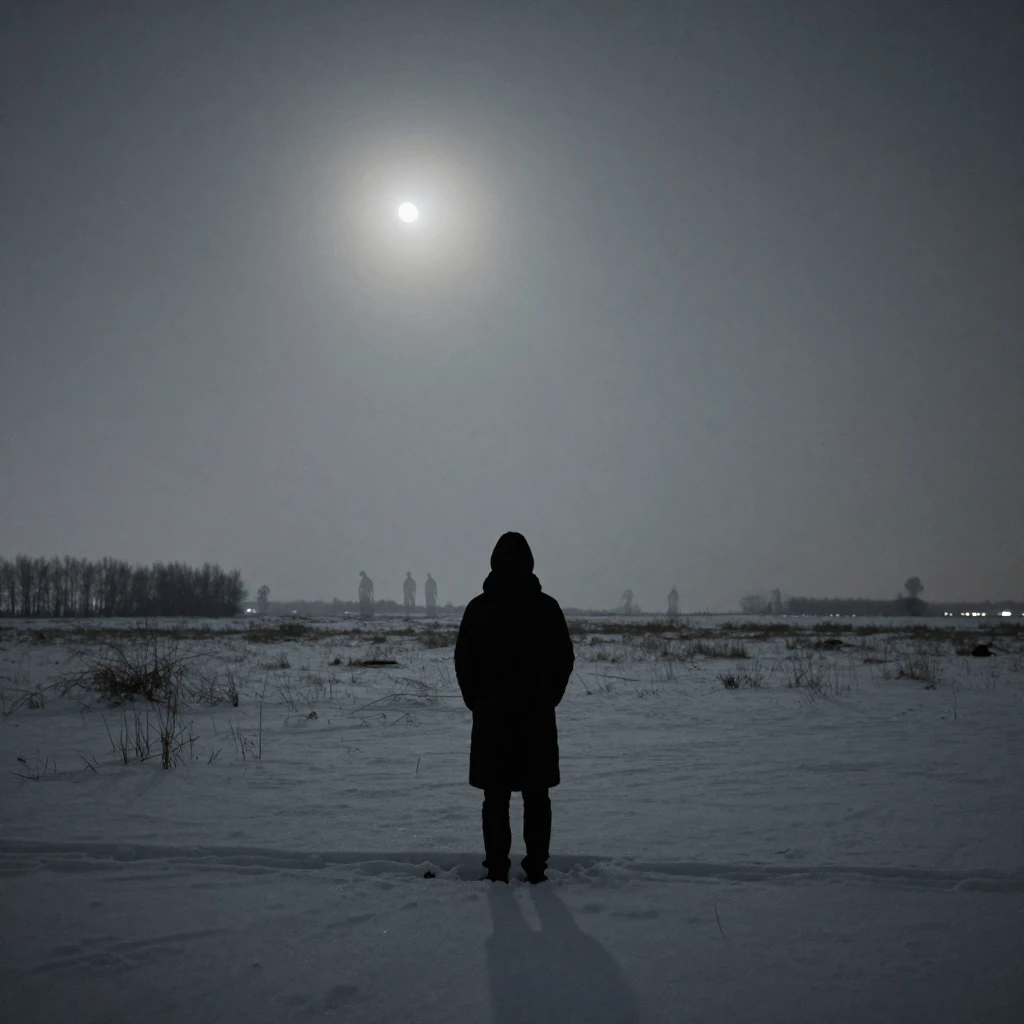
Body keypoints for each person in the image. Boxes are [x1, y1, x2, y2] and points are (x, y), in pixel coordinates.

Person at [454, 532, 575, 884]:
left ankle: (498, 871)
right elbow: (563, 660)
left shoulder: (480, 607)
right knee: (535, 797)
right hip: (532, 717)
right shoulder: (546, 607)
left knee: (497, 797)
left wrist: (476, 701)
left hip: (495, 717)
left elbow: (463, 661)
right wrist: (548, 696)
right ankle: (535, 869)